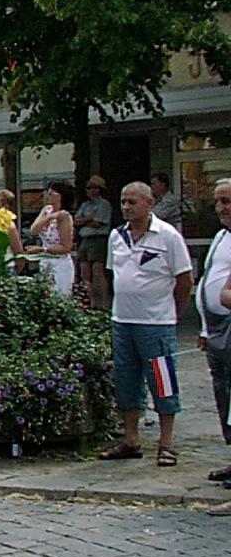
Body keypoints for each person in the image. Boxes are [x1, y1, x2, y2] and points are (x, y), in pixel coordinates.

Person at [98, 182, 193, 468]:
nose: (127, 207)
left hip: (156, 323)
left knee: (162, 381)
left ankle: (166, 443)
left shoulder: (168, 237)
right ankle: (131, 439)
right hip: (123, 320)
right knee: (126, 380)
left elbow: (184, 280)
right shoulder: (117, 237)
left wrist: (173, 312)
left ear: (149, 203)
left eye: (132, 202)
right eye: (123, 201)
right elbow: (113, 273)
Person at [195, 178, 231, 504]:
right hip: (217, 329)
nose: (221, 208)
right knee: (222, 393)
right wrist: (206, 329)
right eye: (218, 202)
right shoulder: (221, 236)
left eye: (227, 201)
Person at [29, 180, 76, 295]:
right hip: (45, 262)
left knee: (59, 295)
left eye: (51, 194)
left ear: (61, 196)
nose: (48, 196)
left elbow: (66, 247)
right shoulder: (47, 210)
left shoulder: (64, 216)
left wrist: (42, 250)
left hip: (59, 264)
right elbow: (33, 230)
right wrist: (48, 218)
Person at [73, 176, 113, 308]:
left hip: (98, 239)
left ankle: (104, 303)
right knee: (84, 272)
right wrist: (88, 219)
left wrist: (85, 221)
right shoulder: (85, 205)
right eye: (89, 188)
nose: (91, 190)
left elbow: (97, 223)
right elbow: (75, 222)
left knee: (98, 272)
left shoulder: (104, 204)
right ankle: (90, 303)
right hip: (84, 239)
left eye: (95, 187)